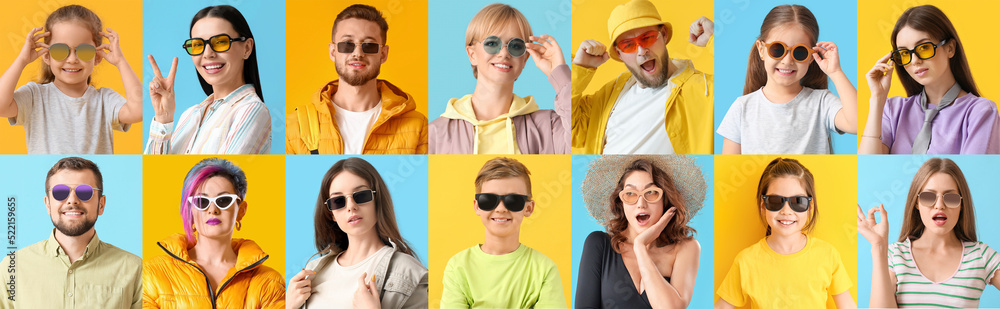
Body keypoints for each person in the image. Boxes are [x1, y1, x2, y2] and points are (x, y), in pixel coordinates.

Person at [572, 0, 714, 154]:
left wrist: (715, 39)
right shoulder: (609, 97)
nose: (641, 51)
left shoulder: (704, 89)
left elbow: (740, 96)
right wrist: (580, 68)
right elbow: (571, 128)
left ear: (664, 35)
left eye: (647, 38)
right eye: (628, 45)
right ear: (619, 53)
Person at [0, 157, 142, 308]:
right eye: (60, 192)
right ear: (48, 204)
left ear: (101, 204)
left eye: (85, 192)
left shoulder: (133, 268)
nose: (72, 200)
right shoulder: (13, 267)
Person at [286, 157, 428, 308]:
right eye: (338, 201)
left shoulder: (408, 273)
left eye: (361, 196)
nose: (351, 206)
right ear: (331, 214)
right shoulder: (312, 271)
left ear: (377, 201)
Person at [428, 3, 570, 154]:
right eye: (492, 43)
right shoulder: (436, 132)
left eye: (515, 46)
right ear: (472, 54)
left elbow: (579, 144)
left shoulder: (549, 126)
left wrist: (559, 73)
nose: (504, 53)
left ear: (525, 59)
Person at [142, 158, 285, 308]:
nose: (212, 209)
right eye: (201, 201)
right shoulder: (153, 273)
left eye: (223, 200)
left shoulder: (269, 282)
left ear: (241, 211)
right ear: (190, 210)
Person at [286, 4, 428, 155]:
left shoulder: (418, 126)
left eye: (369, 45)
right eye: (347, 44)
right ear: (333, 51)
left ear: (383, 54)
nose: (358, 53)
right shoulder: (297, 125)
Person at [0, 5, 143, 154]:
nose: (72, 59)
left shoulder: (104, 100)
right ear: (47, 55)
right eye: (60, 50)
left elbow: (138, 111)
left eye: (84, 51)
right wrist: (22, 60)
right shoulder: (35, 96)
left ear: (98, 56)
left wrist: (121, 62)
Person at [858, 158, 1000, 308]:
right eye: (928, 197)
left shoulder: (980, 256)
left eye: (950, 197)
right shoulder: (896, 255)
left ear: (962, 205)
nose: (939, 205)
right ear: (917, 203)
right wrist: (879, 247)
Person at [716, 158, 855, 309]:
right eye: (775, 201)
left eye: (798, 201)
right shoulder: (745, 261)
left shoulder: (828, 255)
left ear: (809, 207)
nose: (786, 211)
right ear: (763, 205)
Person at [860, 5, 1000, 154]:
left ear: (950, 48)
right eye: (905, 53)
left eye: (924, 47)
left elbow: (973, 175)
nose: (914, 61)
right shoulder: (893, 110)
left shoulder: (980, 113)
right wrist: (877, 98)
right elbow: (868, 169)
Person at [718, 4, 857, 154]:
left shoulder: (822, 102)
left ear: (811, 57)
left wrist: (835, 72)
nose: (787, 60)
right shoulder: (741, 108)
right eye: (777, 49)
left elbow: (856, 124)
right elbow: (729, 163)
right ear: (761, 49)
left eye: (800, 52)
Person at [576, 156, 705, 308]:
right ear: (621, 202)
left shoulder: (686, 248)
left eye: (651, 192)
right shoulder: (599, 244)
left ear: (665, 199)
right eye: (630, 194)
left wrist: (640, 247)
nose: (641, 203)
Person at [440, 157, 566, 308]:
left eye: (513, 200)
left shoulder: (545, 269)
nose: (501, 209)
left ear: (528, 208)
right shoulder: (458, 266)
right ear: (477, 206)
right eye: (489, 199)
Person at [146, 5, 272, 154]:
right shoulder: (189, 114)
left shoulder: (252, 110)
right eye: (198, 44)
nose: (207, 54)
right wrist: (163, 119)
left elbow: (222, 174)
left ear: (247, 48)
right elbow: (153, 175)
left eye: (220, 42)